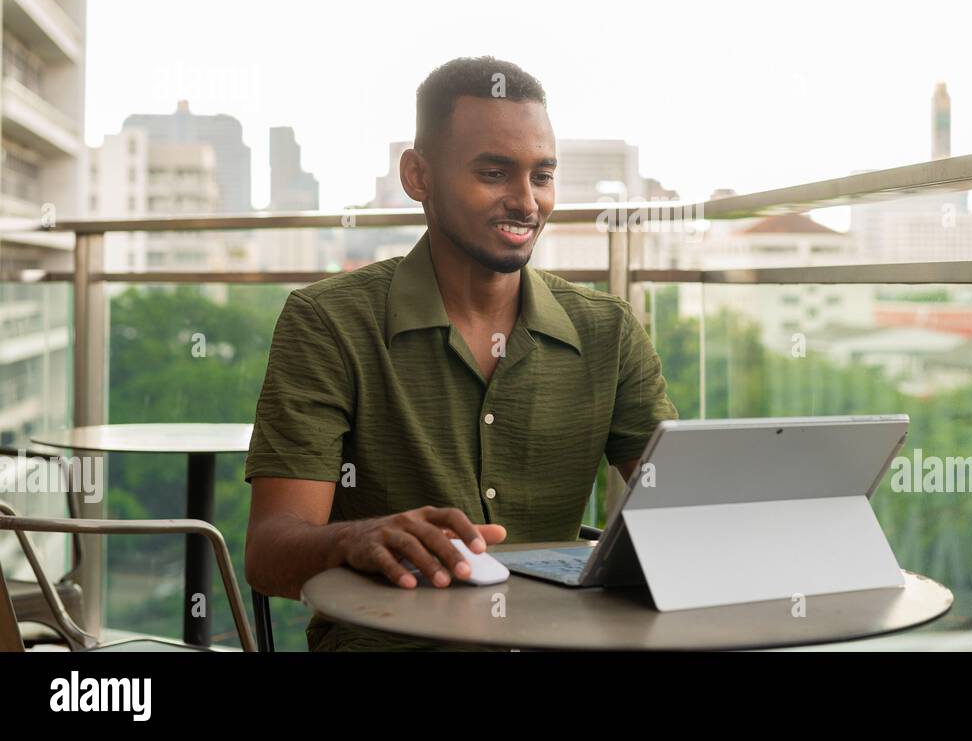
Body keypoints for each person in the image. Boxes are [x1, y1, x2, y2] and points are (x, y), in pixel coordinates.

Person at [243, 56, 677, 650]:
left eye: (542, 176)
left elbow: (679, 512)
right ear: (418, 176)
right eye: (495, 173)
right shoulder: (330, 322)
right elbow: (269, 553)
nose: (526, 202)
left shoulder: (608, 331)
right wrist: (358, 538)